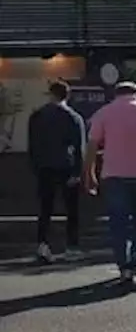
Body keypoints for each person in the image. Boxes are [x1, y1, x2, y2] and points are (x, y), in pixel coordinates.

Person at [84, 82, 136, 286]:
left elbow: (92, 145)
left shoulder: (104, 113)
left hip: (114, 175)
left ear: (116, 94)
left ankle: (123, 266)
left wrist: (89, 172)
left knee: (118, 222)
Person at [27, 79, 87, 263]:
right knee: (71, 209)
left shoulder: (37, 115)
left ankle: (43, 245)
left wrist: (35, 166)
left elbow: (33, 144)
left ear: (51, 94)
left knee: (45, 208)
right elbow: (79, 146)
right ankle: (72, 246)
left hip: (44, 166)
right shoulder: (73, 117)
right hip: (66, 166)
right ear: (67, 96)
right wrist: (78, 172)